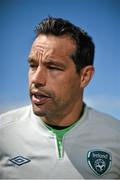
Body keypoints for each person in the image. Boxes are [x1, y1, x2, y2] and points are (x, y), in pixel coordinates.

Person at [0, 17, 120, 179]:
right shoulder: (4, 132)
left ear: (85, 76)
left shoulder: (115, 136)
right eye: (33, 65)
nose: (36, 79)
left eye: (53, 67)